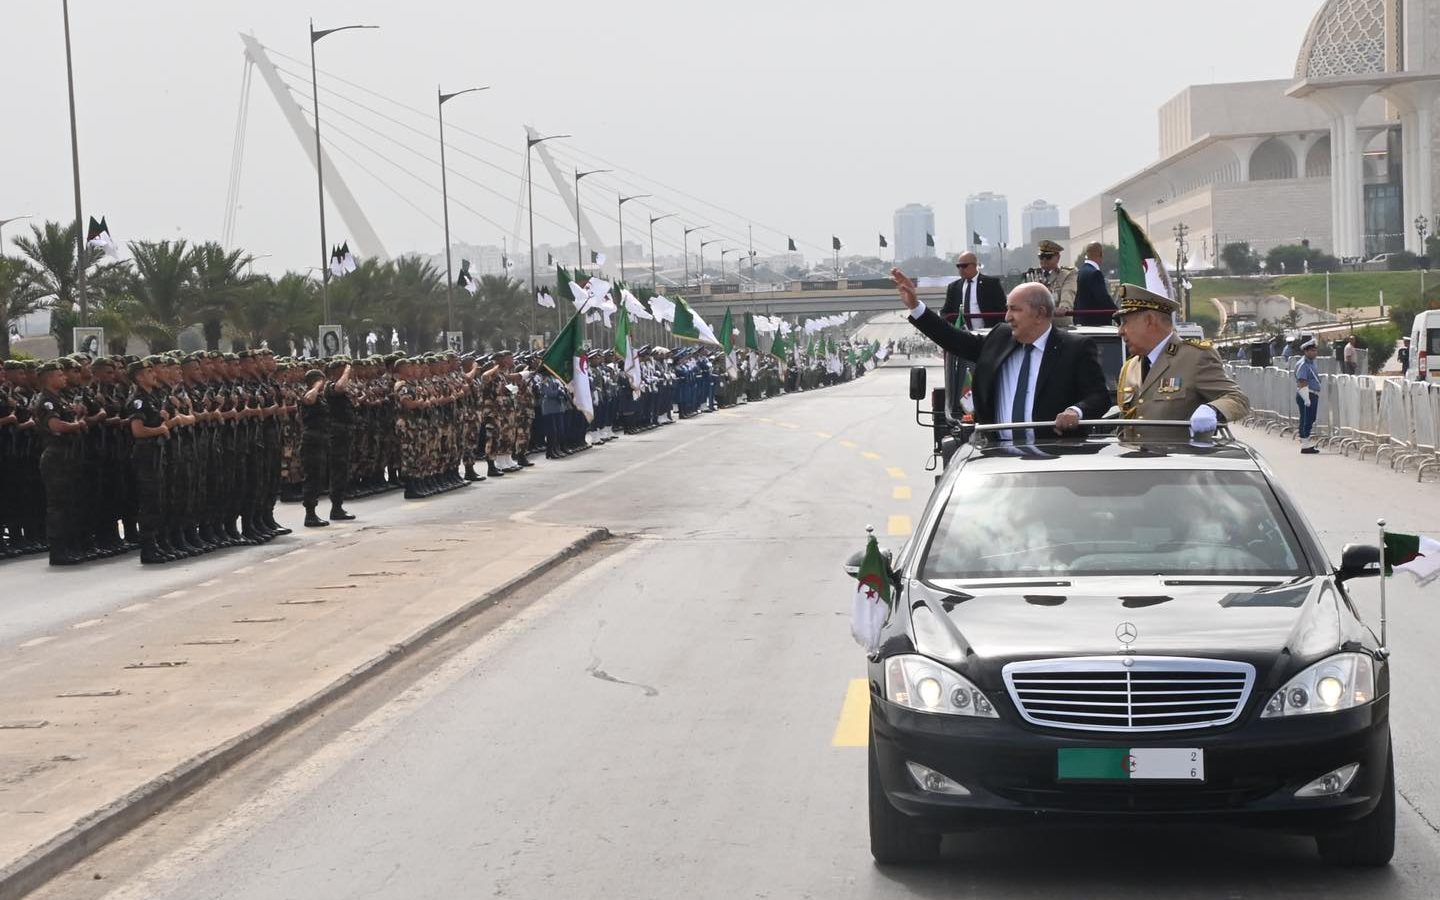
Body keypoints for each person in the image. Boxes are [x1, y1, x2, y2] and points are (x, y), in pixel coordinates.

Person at [892, 269, 1110, 439]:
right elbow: (954, 339)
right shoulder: (999, 338)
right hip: (998, 458)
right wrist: (915, 307)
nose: (1007, 317)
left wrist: (1076, 412)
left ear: (1040, 314)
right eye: (1007, 309)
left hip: (1054, 461)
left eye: (1015, 309)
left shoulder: (1075, 348)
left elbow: (1099, 398)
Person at [1112, 284, 1250, 440]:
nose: (1120, 331)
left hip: (1180, 460)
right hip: (1137, 461)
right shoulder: (1131, 367)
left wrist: (1212, 410)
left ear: (1150, 320)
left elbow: (1238, 399)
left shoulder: (1194, 358)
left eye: (1125, 322)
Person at [298, 368, 331, 527]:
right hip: (311, 440)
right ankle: (309, 514)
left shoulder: (321, 397)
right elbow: (309, 399)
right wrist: (316, 386)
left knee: (319, 477)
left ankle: (313, 512)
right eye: (321, 381)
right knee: (312, 477)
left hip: (321, 440)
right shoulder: (309, 395)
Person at [941, 251, 1006, 330]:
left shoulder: (991, 284)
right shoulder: (954, 287)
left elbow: (1002, 310)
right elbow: (945, 312)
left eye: (964, 266)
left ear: (975, 265)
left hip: (988, 333)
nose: (961, 269)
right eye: (958, 266)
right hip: (963, 334)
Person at [1073, 243, 1116, 326]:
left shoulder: (1081, 271)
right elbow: (1103, 299)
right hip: (1097, 323)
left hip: (1082, 320)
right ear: (1101, 254)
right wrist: (1117, 315)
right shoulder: (1095, 273)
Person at [1034, 240, 1078, 315]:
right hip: (1037, 323)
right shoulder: (1032, 275)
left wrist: (1064, 307)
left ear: (1058, 258)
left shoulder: (1067, 274)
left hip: (1059, 322)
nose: (1044, 260)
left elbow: (1068, 292)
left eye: (1048, 257)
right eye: (1041, 257)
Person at [1295, 337, 1321, 454]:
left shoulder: (1311, 363)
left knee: (1310, 418)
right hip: (1307, 393)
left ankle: (1305, 443)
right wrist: (1306, 398)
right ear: (1306, 351)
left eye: (1315, 350)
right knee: (1307, 419)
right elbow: (1302, 381)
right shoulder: (1304, 364)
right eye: (1312, 350)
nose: (1314, 352)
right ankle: (1305, 445)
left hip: (1312, 393)